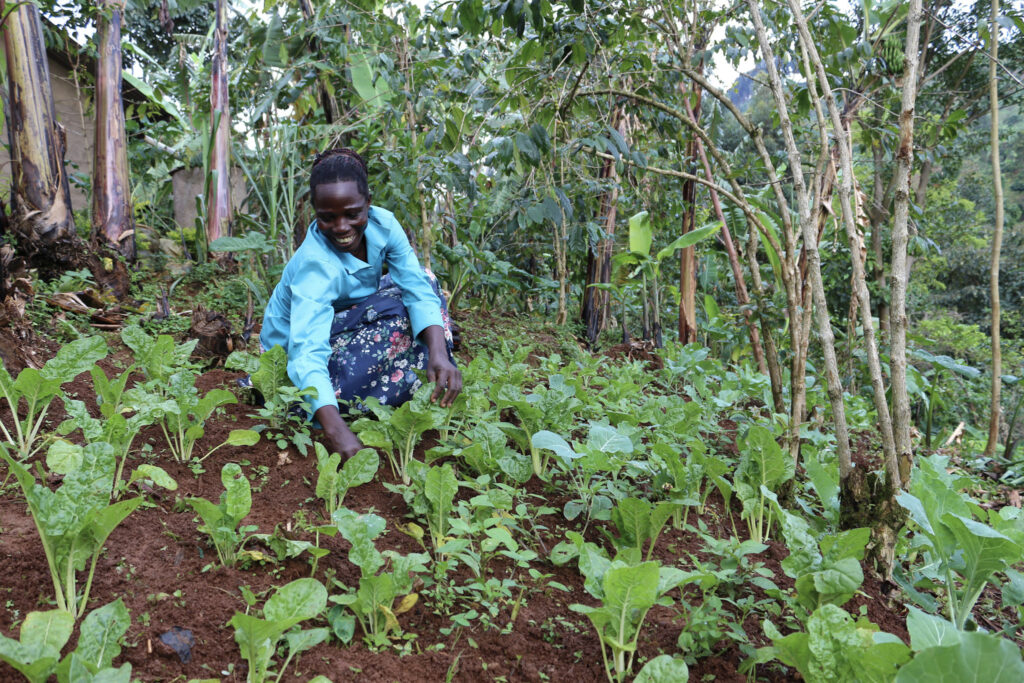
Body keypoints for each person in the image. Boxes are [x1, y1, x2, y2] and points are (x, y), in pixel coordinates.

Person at [259, 148, 462, 459]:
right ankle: (319, 404)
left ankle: (435, 360)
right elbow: (306, 351)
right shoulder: (315, 266)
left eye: (352, 214)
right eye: (327, 218)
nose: (341, 227)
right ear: (314, 212)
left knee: (426, 280)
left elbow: (416, 287)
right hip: (294, 350)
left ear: (368, 202)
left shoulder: (384, 224)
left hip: (346, 318)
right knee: (398, 320)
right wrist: (336, 430)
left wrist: (438, 351)